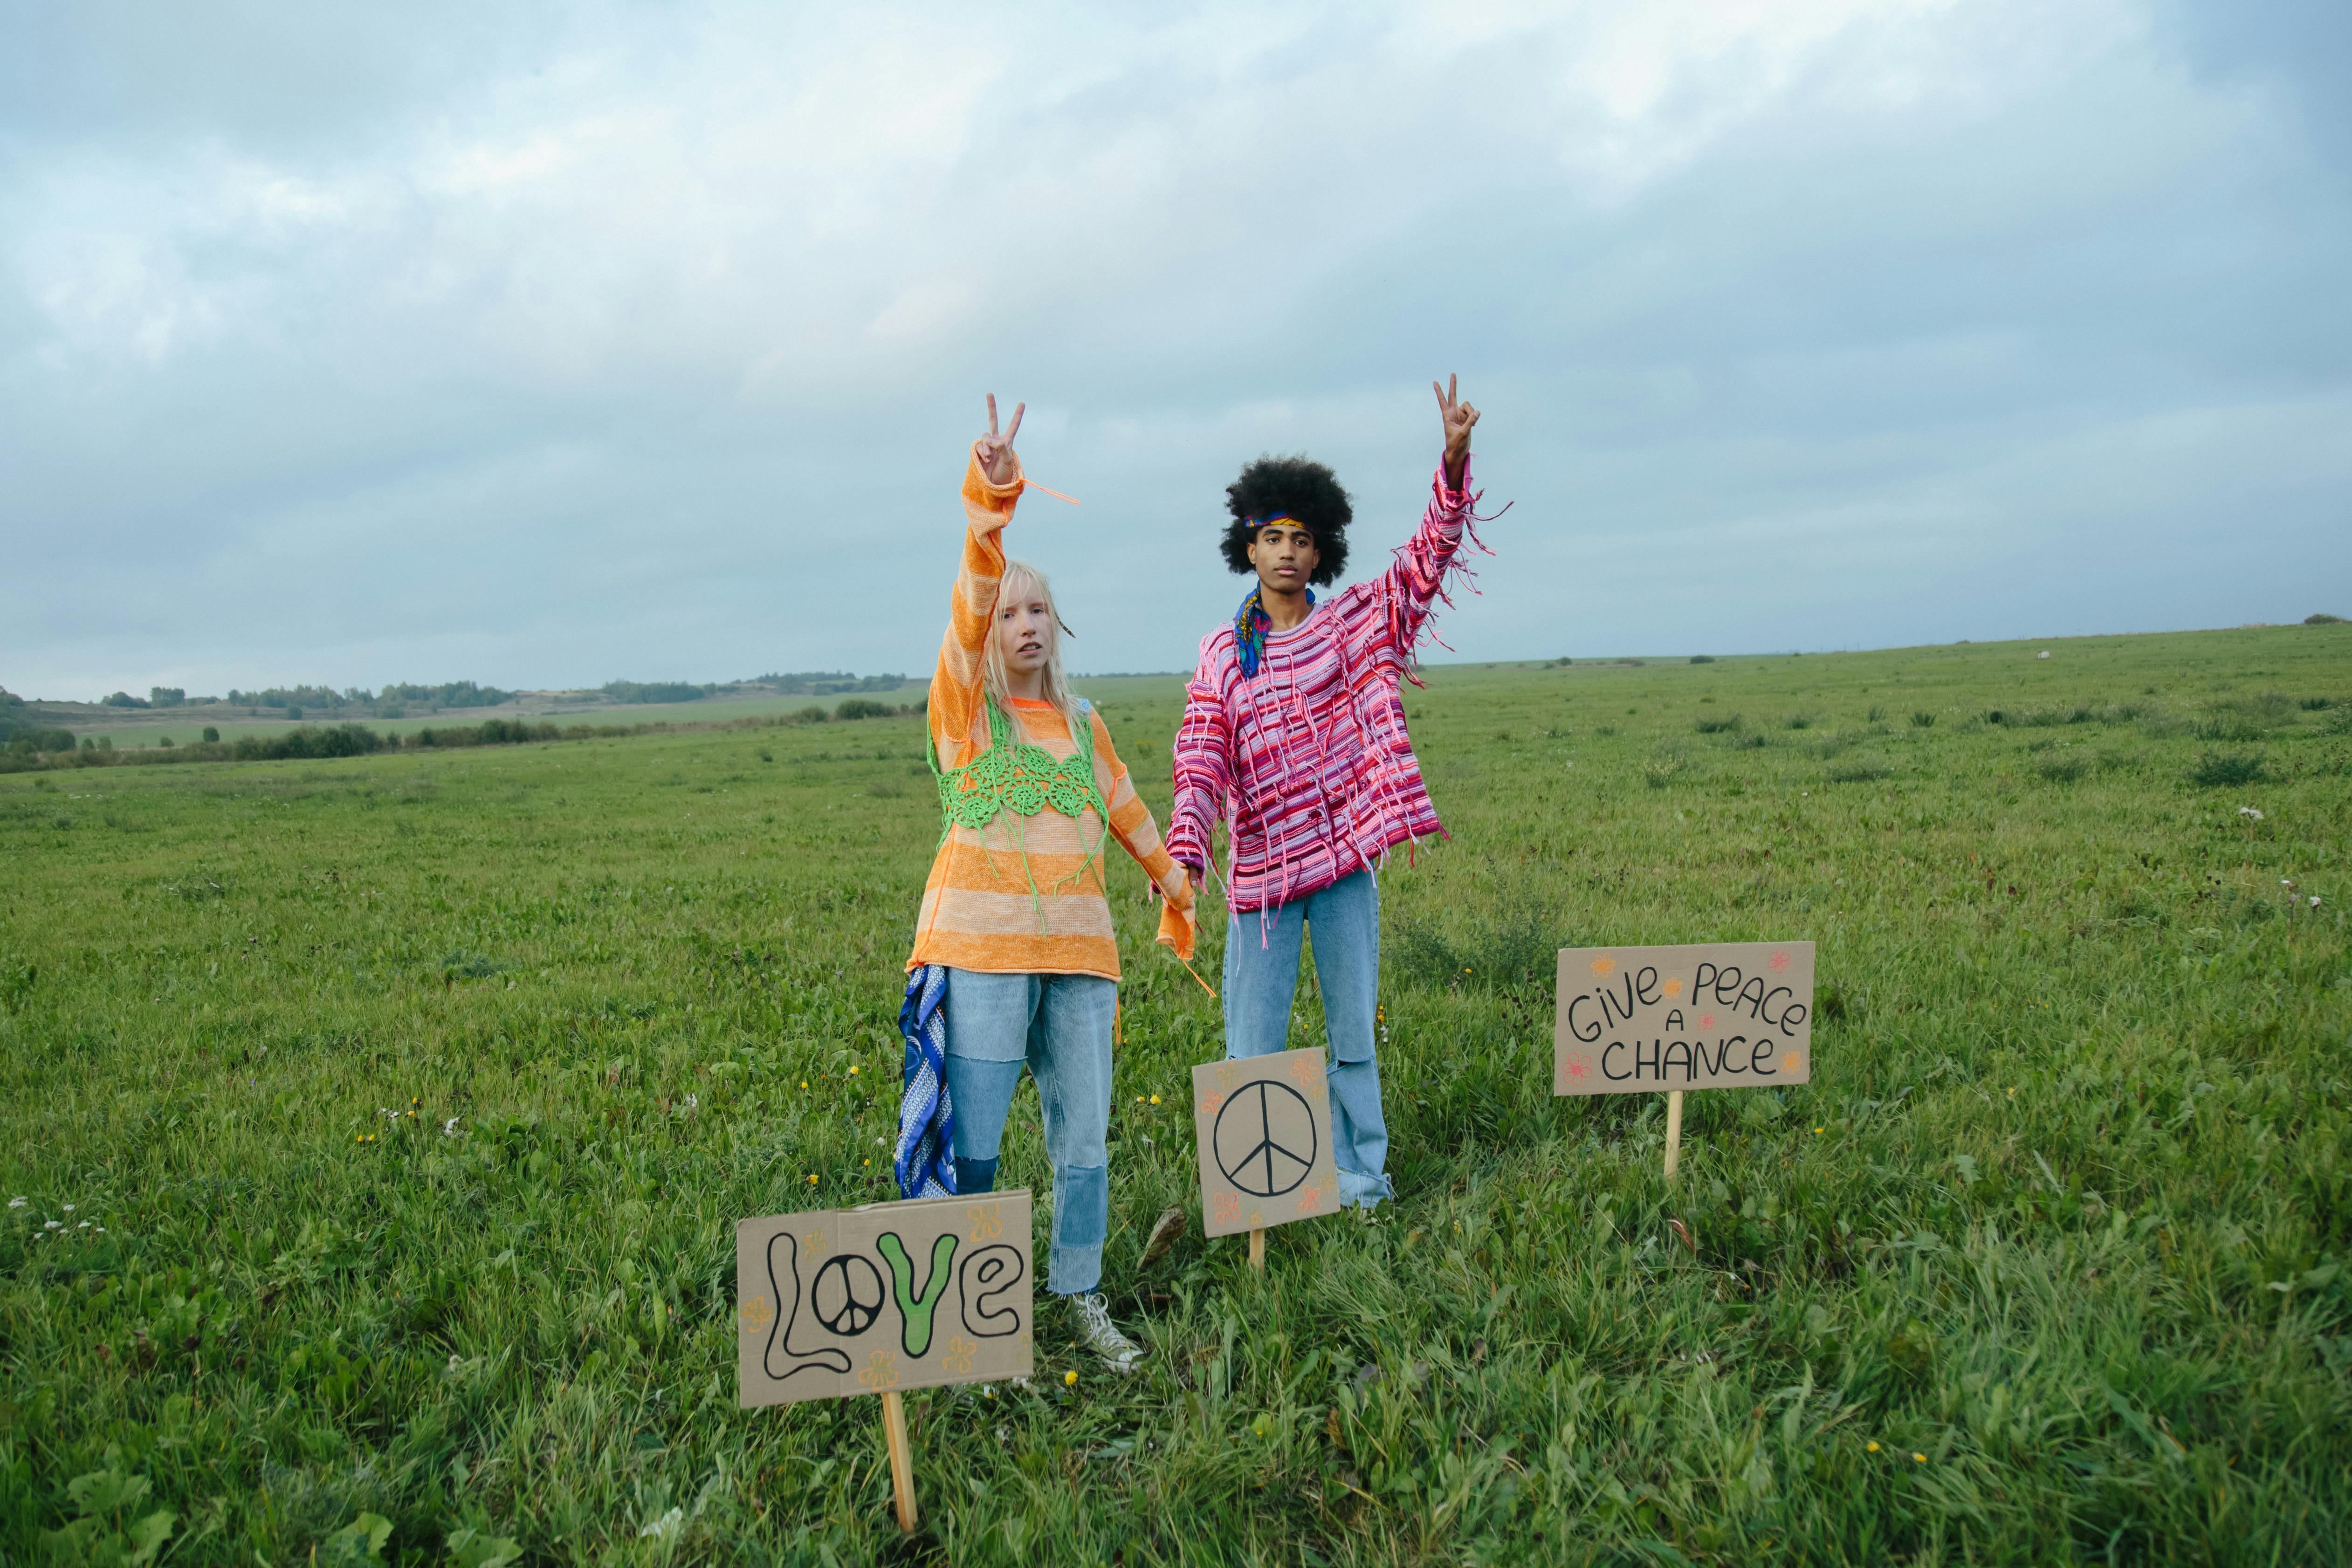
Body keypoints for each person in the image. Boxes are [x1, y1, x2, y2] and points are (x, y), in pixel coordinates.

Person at [894, 394, 1197, 1372]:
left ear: (1055, 628)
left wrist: (1174, 879)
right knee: (976, 1143)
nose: (1022, 623)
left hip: (1080, 956)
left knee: (1085, 1142)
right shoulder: (961, 716)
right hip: (981, 954)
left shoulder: (1084, 721)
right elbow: (969, 598)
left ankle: (1080, 1296)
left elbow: (1126, 804)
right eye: (1008, 611)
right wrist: (991, 504)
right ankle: (972, 1319)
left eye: (1037, 611)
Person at [1167, 375, 1487, 1211]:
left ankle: (1362, 1181)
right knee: (1251, 1044)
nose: (1285, 552)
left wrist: (1452, 465)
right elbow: (1201, 754)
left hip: (1345, 866)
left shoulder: (1353, 624)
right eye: (1270, 537)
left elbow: (1424, 564)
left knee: (1353, 1036)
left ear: (1320, 553)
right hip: (1262, 883)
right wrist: (1186, 848)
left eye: (1301, 539)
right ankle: (1257, 1193)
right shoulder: (1220, 653)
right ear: (1248, 547)